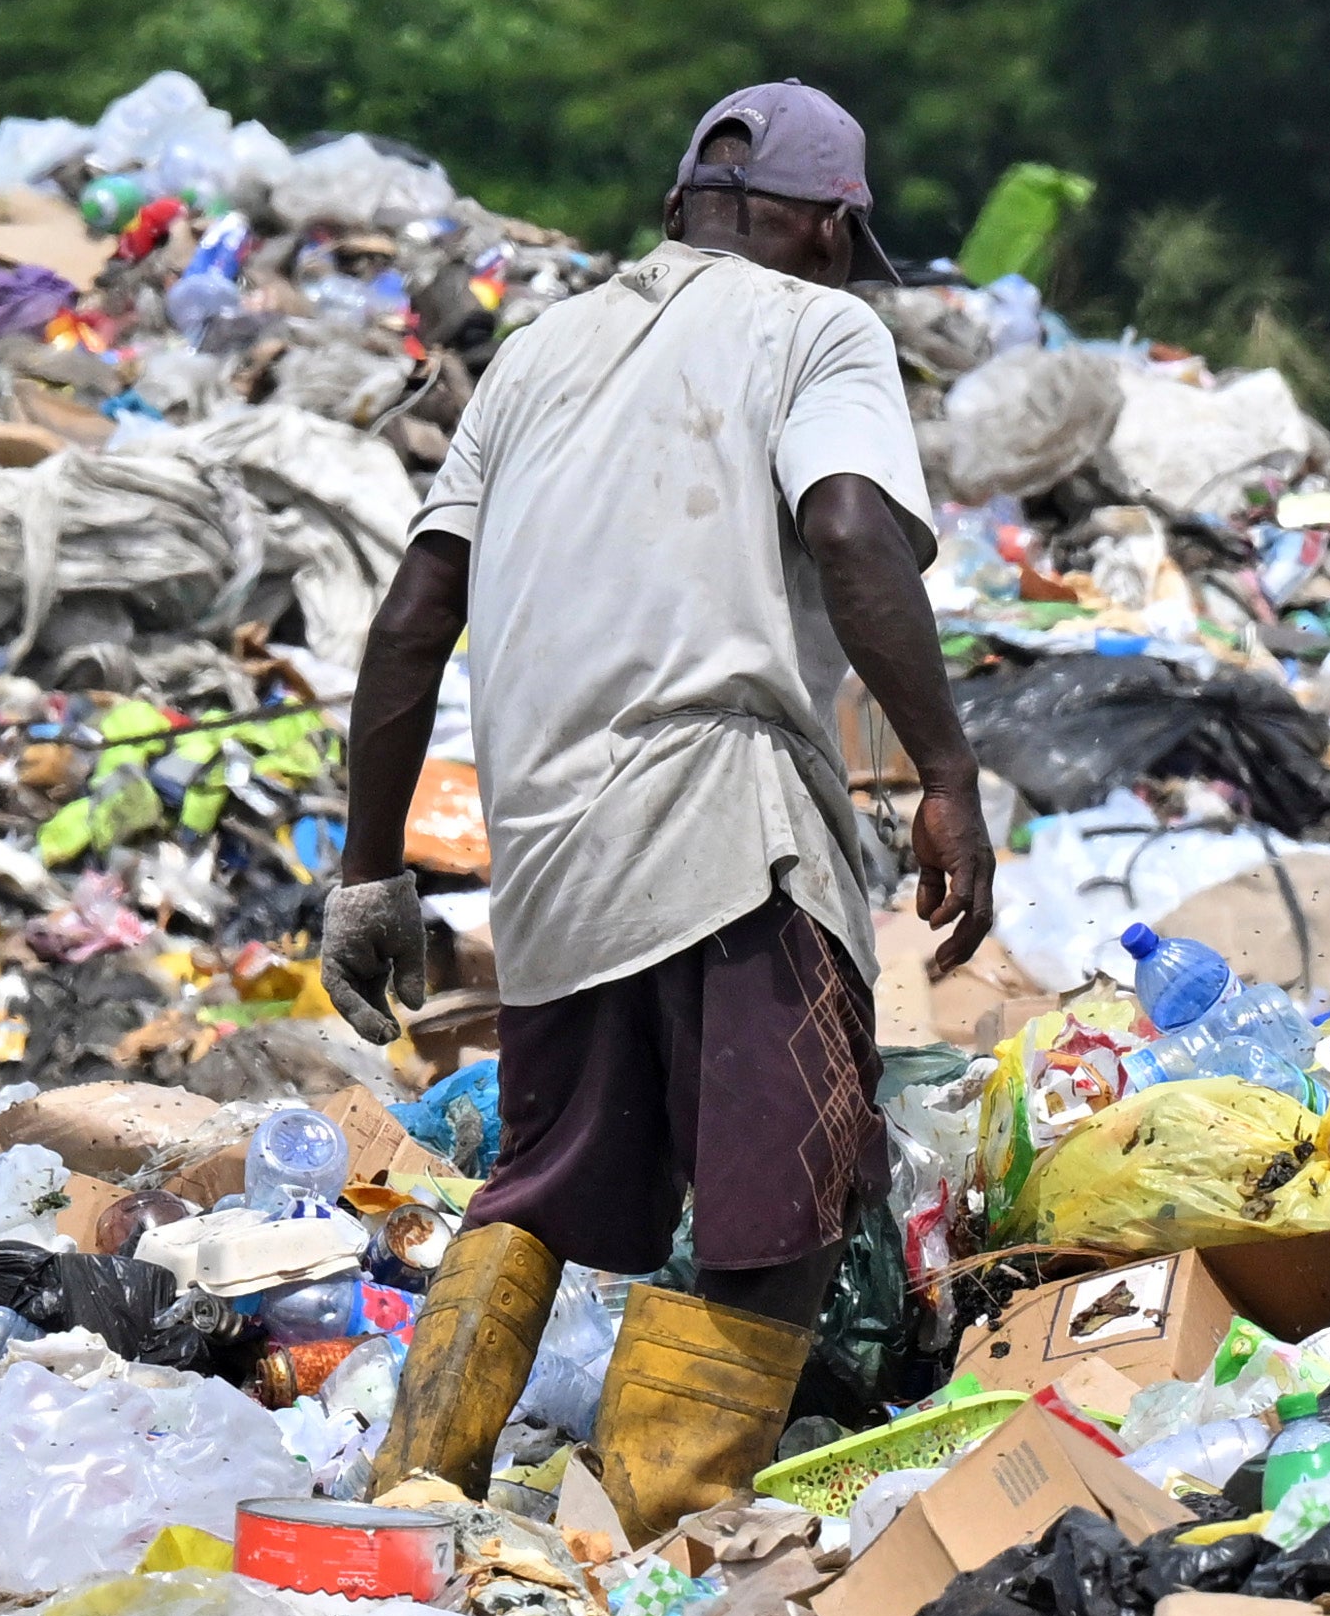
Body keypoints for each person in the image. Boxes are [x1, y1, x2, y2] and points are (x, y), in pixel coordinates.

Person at [315, 80, 994, 1536]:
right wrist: (946, 773)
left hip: (552, 861)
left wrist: (369, 873)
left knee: (542, 1179)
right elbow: (850, 527)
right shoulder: (820, 329)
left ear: (679, 207)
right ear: (828, 228)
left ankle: (414, 1493)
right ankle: (646, 1532)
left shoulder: (535, 353)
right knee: (788, 1195)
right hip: (731, 829)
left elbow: (415, 614)